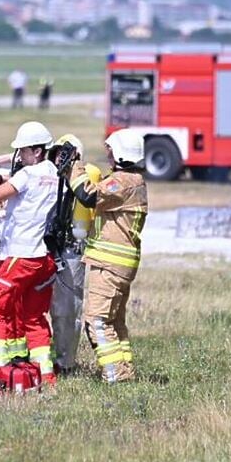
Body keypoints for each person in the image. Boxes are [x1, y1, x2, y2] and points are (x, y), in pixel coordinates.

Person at [0, 121, 59, 388]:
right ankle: (45, 374)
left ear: (37, 151)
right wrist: (11, 159)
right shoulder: (53, 172)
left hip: (19, 254)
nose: (20, 156)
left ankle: (1, 370)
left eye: (23, 150)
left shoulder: (26, 175)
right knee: (34, 317)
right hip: (43, 258)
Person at [69, 128, 148, 383]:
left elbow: (88, 195)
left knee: (97, 321)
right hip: (120, 264)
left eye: (111, 152)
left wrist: (74, 166)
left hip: (110, 264)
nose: (109, 157)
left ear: (122, 153)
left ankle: (116, 374)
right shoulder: (133, 181)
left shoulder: (124, 181)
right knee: (115, 322)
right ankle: (125, 370)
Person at [46, 134, 101, 375]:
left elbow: (87, 195)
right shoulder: (45, 176)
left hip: (71, 249)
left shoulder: (87, 174)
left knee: (67, 310)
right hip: (45, 248)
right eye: (57, 152)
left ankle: (65, 362)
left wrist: (73, 170)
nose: (60, 157)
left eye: (65, 152)